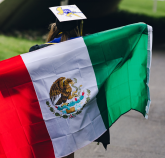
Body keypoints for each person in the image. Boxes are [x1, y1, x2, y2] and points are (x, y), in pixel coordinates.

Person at [28, 5, 110, 158]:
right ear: (79, 27)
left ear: (55, 26)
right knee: (67, 149)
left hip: (47, 111)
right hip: (75, 111)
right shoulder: (89, 51)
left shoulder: (38, 51)